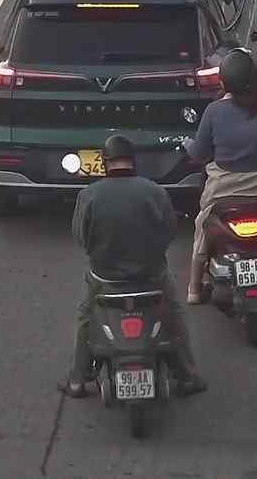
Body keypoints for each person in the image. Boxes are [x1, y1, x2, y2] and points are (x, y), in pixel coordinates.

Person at [63, 133, 206, 399]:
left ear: (106, 163)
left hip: (105, 278)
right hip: (151, 276)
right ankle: (188, 375)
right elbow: (169, 232)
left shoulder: (89, 194)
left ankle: (77, 379)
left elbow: (81, 238)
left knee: (86, 315)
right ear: (133, 161)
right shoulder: (154, 191)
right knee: (173, 311)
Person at [183, 49, 257, 303]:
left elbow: (199, 154)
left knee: (202, 227)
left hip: (223, 188)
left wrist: (187, 144)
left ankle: (194, 289)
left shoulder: (213, 112)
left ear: (223, 82)